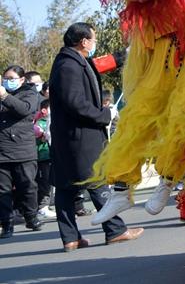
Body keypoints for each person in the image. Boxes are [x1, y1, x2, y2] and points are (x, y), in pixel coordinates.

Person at [48, 22, 144, 250]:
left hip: (69, 138)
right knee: (97, 181)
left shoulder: (75, 61)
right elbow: (75, 103)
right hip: (79, 138)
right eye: (93, 40)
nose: (94, 44)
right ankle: (115, 230)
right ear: (83, 42)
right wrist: (103, 115)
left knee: (65, 189)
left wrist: (127, 55)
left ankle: (70, 237)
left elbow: (98, 64)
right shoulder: (68, 67)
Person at [1, 65, 42, 238]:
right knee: (2, 190)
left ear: (22, 79)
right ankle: (6, 224)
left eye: (12, 78)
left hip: (23, 149)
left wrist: (4, 95)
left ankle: (31, 216)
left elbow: (24, 110)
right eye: (5, 78)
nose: (8, 82)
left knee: (28, 186)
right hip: (2, 150)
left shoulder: (30, 93)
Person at [34, 99, 55, 219]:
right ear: (44, 110)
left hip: (49, 157)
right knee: (44, 183)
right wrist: (42, 135)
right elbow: (38, 136)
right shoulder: (39, 123)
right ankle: (42, 207)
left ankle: (45, 205)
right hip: (41, 158)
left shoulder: (51, 121)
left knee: (49, 182)